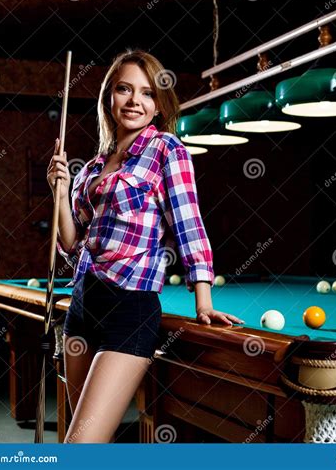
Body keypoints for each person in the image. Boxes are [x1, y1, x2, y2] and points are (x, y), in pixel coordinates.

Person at [47, 49, 243, 443]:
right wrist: (60, 191)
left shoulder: (168, 151)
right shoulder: (90, 168)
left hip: (130, 309)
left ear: (158, 105)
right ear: (110, 99)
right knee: (81, 438)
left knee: (80, 447)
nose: (135, 100)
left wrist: (202, 301)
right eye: (124, 89)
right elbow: (70, 243)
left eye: (147, 93)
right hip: (82, 307)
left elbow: (189, 225)